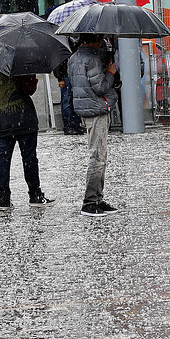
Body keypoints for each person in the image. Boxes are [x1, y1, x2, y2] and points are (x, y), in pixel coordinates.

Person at [0, 63, 56, 210]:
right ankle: (35, 195)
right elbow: (30, 88)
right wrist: (32, 77)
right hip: (23, 117)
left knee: (3, 159)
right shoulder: (20, 60)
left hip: (0, 119)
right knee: (29, 157)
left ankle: (3, 199)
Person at [68, 34, 119, 217]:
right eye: (100, 40)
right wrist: (110, 73)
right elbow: (101, 88)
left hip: (86, 109)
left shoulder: (74, 58)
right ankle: (90, 202)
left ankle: (98, 198)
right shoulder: (93, 59)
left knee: (99, 156)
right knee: (98, 157)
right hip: (96, 110)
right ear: (94, 40)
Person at [53, 59, 84, 135]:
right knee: (67, 101)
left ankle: (75, 125)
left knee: (71, 101)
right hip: (66, 76)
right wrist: (60, 78)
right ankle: (69, 126)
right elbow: (57, 62)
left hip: (70, 75)